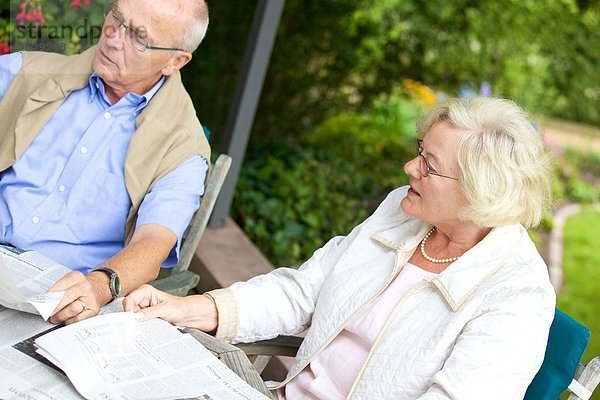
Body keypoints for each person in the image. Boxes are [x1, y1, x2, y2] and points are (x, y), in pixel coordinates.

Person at [124, 97, 556, 399]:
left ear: (482, 195)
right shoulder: (402, 213)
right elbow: (300, 291)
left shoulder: (516, 296)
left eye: (430, 166)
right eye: (419, 151)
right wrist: (187, 308)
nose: (409, 168)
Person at [0, 0, 210, 325]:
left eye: (139, 37)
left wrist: (99, 287)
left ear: (175, 61)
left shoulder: (183, 148)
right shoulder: (26, 74)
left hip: (60, 299)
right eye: (116, 17)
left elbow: (153, 242)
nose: (113, 37)